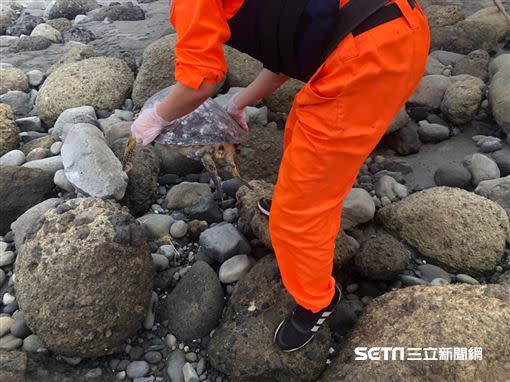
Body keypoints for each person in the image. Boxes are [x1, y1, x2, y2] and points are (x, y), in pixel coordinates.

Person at [131, 0, 430, 352]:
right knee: (303, 133)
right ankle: (306, 201)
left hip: (372, 56)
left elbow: (199, 82)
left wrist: (156, 117)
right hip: (385, 26)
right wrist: (241, 100)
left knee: (295, 216)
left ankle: (319, 300)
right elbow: (291, 37)